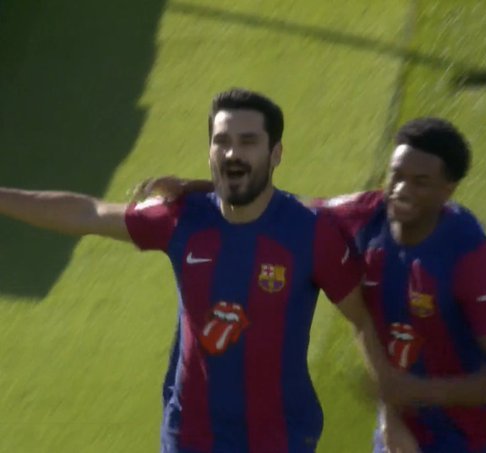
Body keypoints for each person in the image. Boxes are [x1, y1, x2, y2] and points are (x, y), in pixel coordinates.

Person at [0, 88, 408, 453]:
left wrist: (390, 414)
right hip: (191, 435)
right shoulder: (181, 217)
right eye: (222, 141)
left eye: (248, 142)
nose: (232, 153)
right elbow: (88, 213)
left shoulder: (311, 234)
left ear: (276, 153)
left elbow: (362, 320)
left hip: (279, 437)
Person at [145, 117, 486, 452]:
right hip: (402, 426)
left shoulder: (469, 256)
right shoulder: (364, 217)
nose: (401, 190)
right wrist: (196, 190)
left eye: (421, 182)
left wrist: (413, 392)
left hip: (475, 437)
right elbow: (279, 212)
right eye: (396, 175)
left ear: (448, 189)